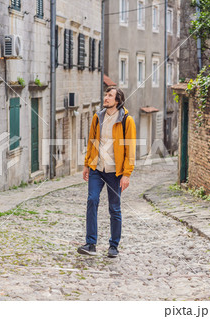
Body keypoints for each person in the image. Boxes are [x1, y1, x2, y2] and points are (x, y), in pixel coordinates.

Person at [77, 86, 136, 258]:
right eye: (105, 94)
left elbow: (130, 148)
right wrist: (87, 164)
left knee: (114, 208)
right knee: (92, 200)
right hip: (97, 168)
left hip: (115, 171)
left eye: (110, 95)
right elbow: (92, 141)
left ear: (117, 100)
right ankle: (90, 243)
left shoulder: (126, 119)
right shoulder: (98, 117)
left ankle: (114, 246)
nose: (106, 97)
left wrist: (127, 174)